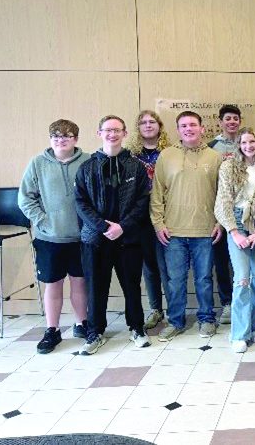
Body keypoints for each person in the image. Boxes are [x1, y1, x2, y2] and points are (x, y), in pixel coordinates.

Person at [75, 115, 151, 355]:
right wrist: (103, 227)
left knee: (132, 287)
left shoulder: (136, 166)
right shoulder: (87, 167)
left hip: (128, 239)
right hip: (95, 240)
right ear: (99, 134)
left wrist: (122, 227)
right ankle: (95, 332)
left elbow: (142, 201)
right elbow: (80, 202)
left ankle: (137, 328)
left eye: (117, 130)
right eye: (107, 130)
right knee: (96, 288)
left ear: (125, 134)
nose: (112, 134)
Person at [150, 111, 224, 341]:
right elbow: (157, 193)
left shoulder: (215, 157)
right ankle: (175, 321)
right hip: (172, 231)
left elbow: (223, 195)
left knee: (203, 279)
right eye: (183, 125)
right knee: (175, 280)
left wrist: (220, 222)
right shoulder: (167, 156)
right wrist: (158, 223)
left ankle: (206, 319)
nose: (188, 129)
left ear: (202, 128)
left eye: (193, 124)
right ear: (178, 129)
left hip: (205, 230)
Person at [18, 120, 90, 354]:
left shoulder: (88, 161)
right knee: (53, 284)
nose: (61, 139)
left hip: (80, 237)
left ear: (76, 139)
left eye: (67, 136)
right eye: (56, 136)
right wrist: (43, 221)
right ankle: (52, 330)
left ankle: (82, 324)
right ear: (50, 139)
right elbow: (25, 198)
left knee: (79, 282)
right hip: (49, 238)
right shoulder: (38, 163)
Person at [214, 128, 255, 353]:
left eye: (252, 141)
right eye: (244, 142)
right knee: (242, 278)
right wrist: (234, 231)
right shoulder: (228, 166)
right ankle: (239, 334)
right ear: (238, 144)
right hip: (237, 222)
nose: (248, 146)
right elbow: (223, 201)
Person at [126, 110, 171, 331]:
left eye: (152, 121)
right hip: (141, 217)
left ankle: (174, 309)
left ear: (160, 126)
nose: (148, 125)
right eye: (143, 122)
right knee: (149, 266)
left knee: (168, 265)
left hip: (167, 215)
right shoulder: (130, 155)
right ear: (138, 128)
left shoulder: (170, 152)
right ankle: (156, 309)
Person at [208, 104, 242, 325]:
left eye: (235, 118)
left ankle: (244, 301)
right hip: (220, 213)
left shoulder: (246, 143)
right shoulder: (212, 147)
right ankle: (227, 303)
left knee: (242, 261)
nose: (232, 122)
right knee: (221, 262)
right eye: (228, 118)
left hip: (243, 212)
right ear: (220, 121)